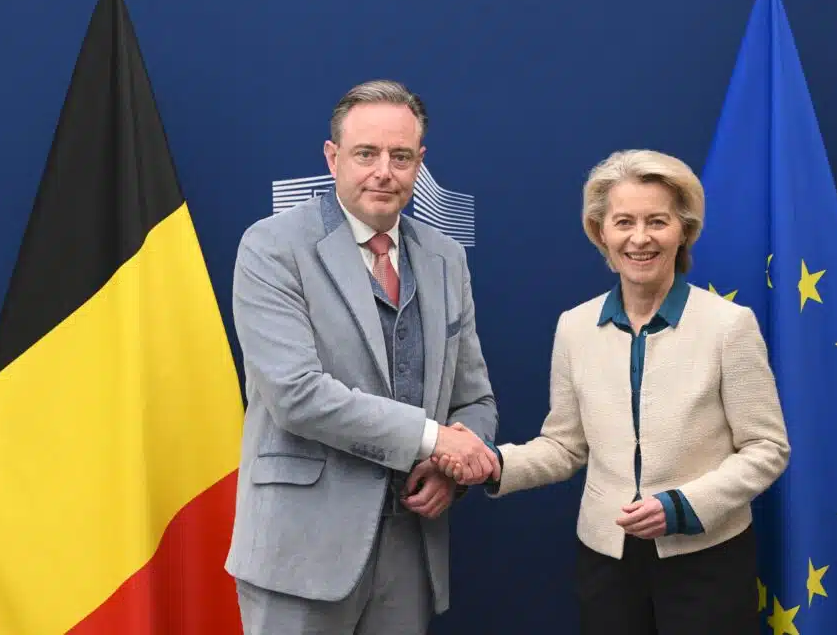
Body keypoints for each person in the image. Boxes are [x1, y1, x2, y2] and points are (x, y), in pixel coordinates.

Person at [436, 149, 790, 634]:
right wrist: (496, 463)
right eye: (624, 222)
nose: (640, 238)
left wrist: (684, 506)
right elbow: (565, 446)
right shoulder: (575, 327)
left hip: (707, 561)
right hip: (607, 563)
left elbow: (767, 448)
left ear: (683, 230)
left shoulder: (729, 326)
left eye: (657, 221)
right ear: (600, 231)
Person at [225, 79, 500, 635]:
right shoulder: (271, 247)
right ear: (333, 158)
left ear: (420, 162)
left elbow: (475, 399)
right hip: (299, 553)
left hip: (410, 550)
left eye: (401, 157)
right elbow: (296, 395)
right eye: (366, 154)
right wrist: (433, 439)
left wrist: (452, 469)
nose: (384, 172)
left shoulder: (446, 257)